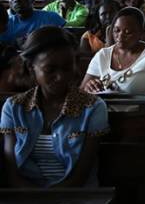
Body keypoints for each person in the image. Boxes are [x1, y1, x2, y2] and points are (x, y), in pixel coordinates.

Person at [0, 26, 109, 187]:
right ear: (32, 68)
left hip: (75, 197)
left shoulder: (92, 107)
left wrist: (49, 202)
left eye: (67, 68)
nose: (60, 77)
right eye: (49, 69)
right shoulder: (14, 108)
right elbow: (12, 170)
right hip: (25, 197)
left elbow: (81, 174)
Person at [80, 7, 145, 98]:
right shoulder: (103, 55)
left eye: (128, 32)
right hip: (107, 111)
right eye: (116, 31)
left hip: (144, 111)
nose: (120, 36)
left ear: (141, 33)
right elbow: (82, 91)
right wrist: (90, 87)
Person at [0, 0, 65, 48]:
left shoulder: (51, 18)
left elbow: (66, 42)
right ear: (9, 2)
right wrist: (15, 44)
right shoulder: (6, 25)